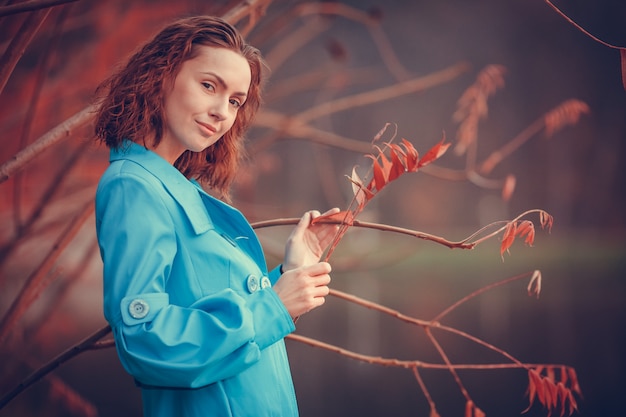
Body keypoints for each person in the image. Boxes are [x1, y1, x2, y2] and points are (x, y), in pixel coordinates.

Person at [93, 15, 339, 417]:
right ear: (161, 76)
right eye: (209, 86)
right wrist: (273, 307)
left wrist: (288, 275)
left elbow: (211, 301)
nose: (222, 111)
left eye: (235, 101)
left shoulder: (176, 186)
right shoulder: (132, 187)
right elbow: (143, 339)